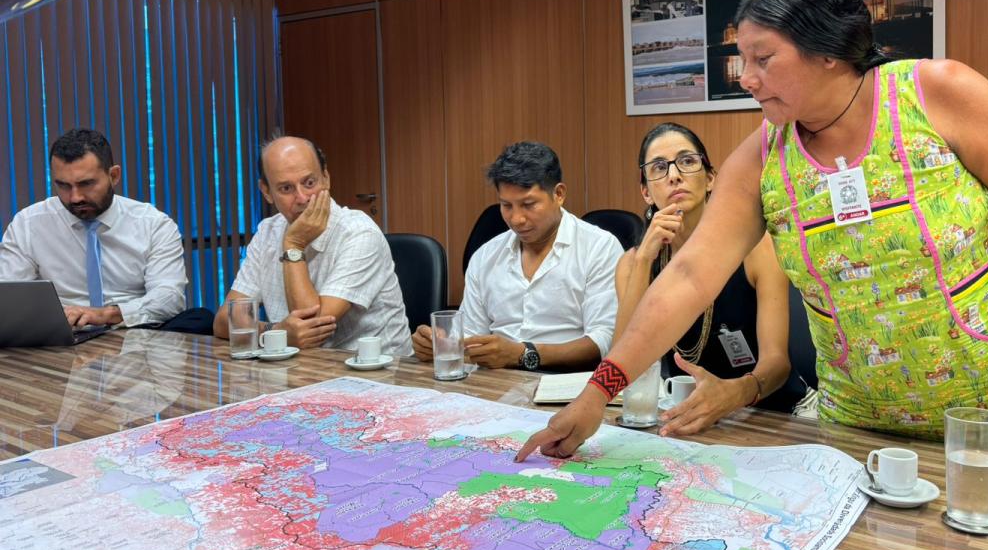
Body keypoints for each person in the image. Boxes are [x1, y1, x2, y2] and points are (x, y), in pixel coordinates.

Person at [520, 0, 988, 480]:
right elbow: (691, 277)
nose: (746, 77)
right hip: (856, 434)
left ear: (828, 50)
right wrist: (599, 393)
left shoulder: (938, 94)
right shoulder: (762, 158)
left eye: (763, 59)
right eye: (742, 59)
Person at [616, 123, 792, 436]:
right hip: (683, 420)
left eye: (686, 161)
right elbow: (622, 369)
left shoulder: (756, 249)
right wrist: (644, 261)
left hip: (766, 416)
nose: (674, 175)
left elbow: (778, 364)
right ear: (646, 191)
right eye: (659, 167)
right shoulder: (633, 262)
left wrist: (733, 394)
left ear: (710, 179)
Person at [412, 142, 622, 371]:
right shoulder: (486, 256)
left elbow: (603, 341)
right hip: (495, 384)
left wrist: (523, 353)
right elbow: (471, 337)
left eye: (528, 204)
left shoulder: (598, 247)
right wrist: (442, 344)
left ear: (559, 194)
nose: (516, 219)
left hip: (566, 384)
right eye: (506, 206)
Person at [213, 135, 412, 356]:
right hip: (302, 371)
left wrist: (294, 245)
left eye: (309, 183)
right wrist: (276, 331)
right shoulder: (267, 232)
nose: (302, 198)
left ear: (326, 178)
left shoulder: (359, 232)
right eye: (286, 188)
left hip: (378, 376)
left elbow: (312, 330)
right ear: (266, 192)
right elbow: (224, 321)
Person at [0, 128, 187, 328]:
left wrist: (106, 314)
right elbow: (8, 298)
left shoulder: (153, 224)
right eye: (63, 185)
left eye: (86, 184)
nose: (75, 197)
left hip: (134, 334)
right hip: (61, 337)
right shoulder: (29, 223)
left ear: (114, 176)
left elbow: (170, 298)